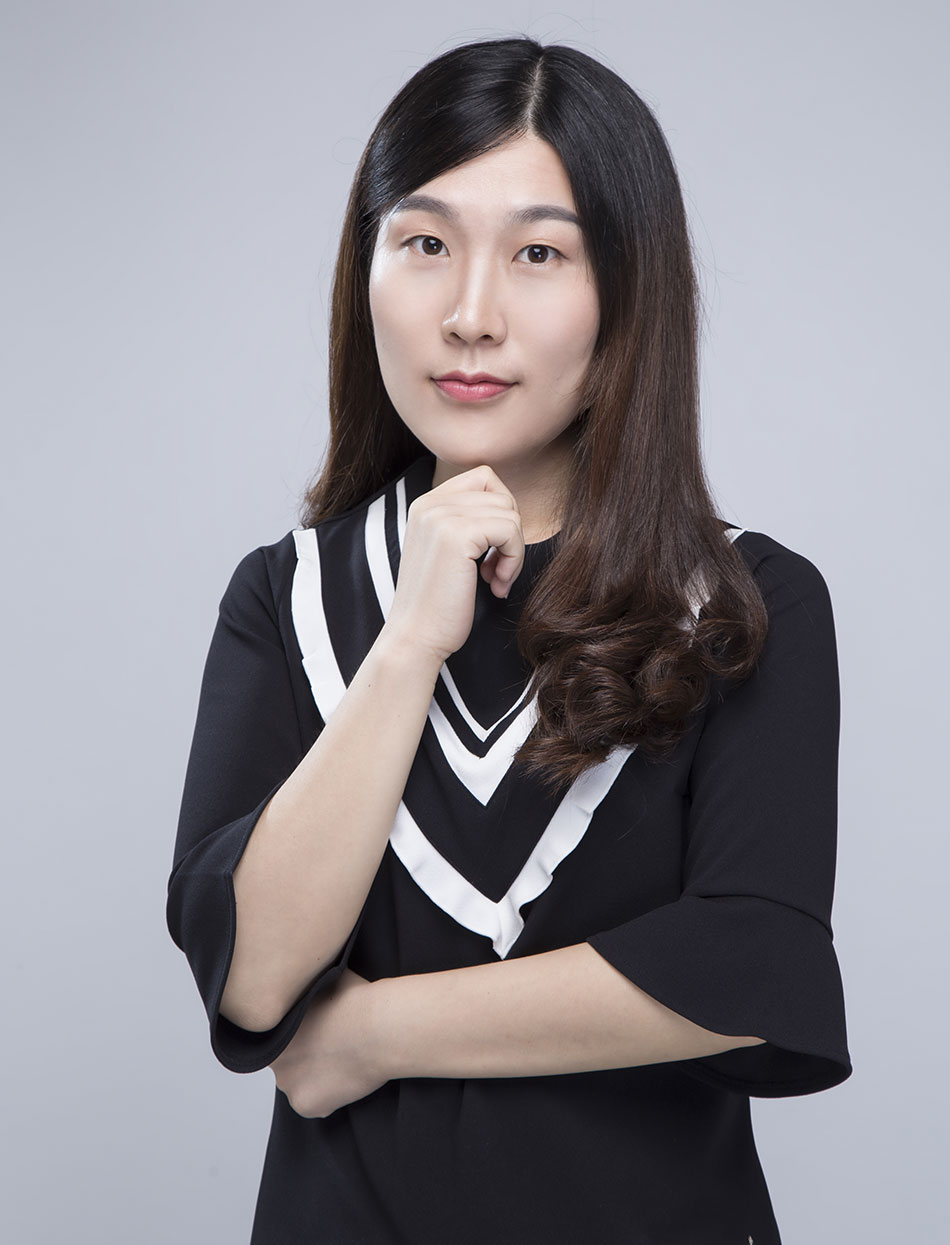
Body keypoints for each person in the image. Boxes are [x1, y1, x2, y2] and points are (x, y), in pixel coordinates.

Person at [166, 35, 851, 1245]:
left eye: (539, 254)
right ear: (365, 271)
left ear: (625, 293)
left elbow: (749, 964)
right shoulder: (288, 598)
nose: (469, 316)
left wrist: (371, 1035)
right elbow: (254, 979)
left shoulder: (740, 603)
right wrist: (406, 646)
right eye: (424, 245)